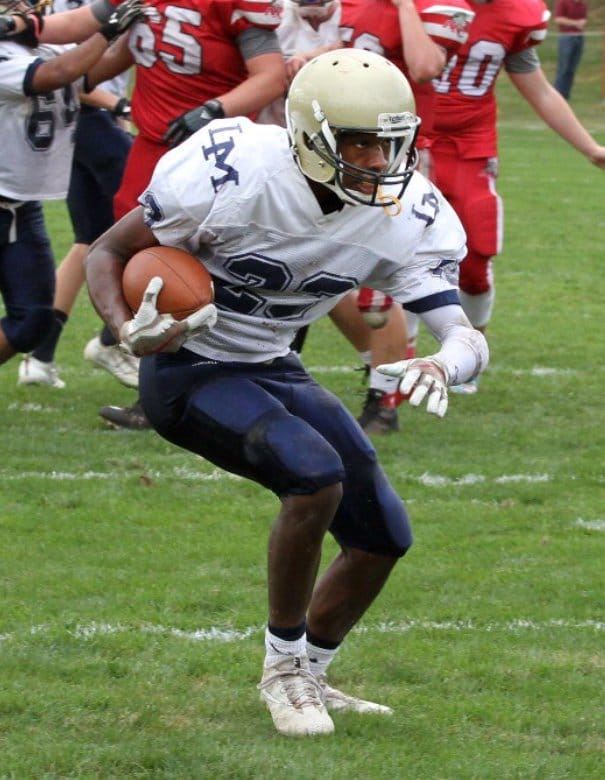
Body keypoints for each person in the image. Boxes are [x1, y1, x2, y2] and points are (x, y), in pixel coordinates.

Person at [86, 49, 489, 737]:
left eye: (389, 142)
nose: (376, 159)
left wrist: (443, 366)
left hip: (273, 364)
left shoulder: (406, 210)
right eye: (358, 142)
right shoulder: (233, 171)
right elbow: (107, 252)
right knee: (313, 476)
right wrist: (128, 331)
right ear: (310, 134)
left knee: (381, 537)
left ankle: (315, 674)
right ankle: (281, 673)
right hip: (190, 370)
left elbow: (464, 333)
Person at [7, 0, 287, 427]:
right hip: (152, 152)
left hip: (220, 156)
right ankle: (154, 393)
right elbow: (75, 30)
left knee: (226, 275)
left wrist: (215, 109)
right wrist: (24, 26)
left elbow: (270, 75)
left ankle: (248, 383)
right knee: (147, 275)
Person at [422, 0, 605, 394]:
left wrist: (591, 148)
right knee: (392, 251)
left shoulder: (515, 15)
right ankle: (381, 370)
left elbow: (540, 92)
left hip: (470, 146)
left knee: (476, 255)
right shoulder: (423, 5)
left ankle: (468, 353)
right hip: (406, 137)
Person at [331, 0, 477, 433]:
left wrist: (406, 7)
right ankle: (377, 374)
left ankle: (384, 401)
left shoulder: (442, 8)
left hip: (392, 162)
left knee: (383, 288)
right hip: (336, 155)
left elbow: (425, 65)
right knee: (321, 274)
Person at [0, 0, 143, 370]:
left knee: (32, 322)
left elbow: (86, 75)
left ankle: (42, 360)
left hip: (21, 207)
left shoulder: (41, 42)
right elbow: (55, 74)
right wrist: (109, 29)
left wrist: (144, 33)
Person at [553, 0, 588, 100]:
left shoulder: (582, 4)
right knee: (564, 67)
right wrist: (575, 23)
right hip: (566, 37)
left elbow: (584, 19)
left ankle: (565, 94)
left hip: (579, 37)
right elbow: (558, 19)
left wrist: (582, 23)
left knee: (572, 68)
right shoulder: (563, 2)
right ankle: (558, 94)